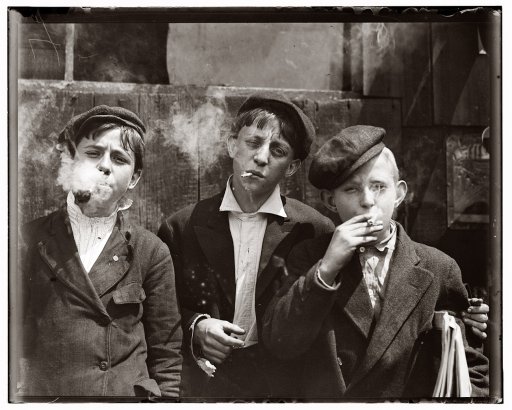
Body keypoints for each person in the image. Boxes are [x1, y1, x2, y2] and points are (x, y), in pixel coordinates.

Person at [261, 125, 489, 399]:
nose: (367, 201)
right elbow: (280, 343)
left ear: (399, 194)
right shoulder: (310, 257)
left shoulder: (438, 267)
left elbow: (469, 368)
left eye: (379, 187)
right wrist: (327, 268)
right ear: (330, 201)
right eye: (351, 189)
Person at [157, 93, 335, 399]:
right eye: (253, 142)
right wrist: (196, 327)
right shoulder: (181, 227)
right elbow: (160, 311)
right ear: (232, 145)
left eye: (278, 150)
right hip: (206, 387)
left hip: (283, 390)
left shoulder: (313, 230)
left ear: (291, 167)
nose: (262, 157)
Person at [17, 106, 182, 399]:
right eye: (93, 153)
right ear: (71, 162)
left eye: (119, 158)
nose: (105, 166)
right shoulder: (26, 241)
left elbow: (166, 355)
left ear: (134, 177)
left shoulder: (150, 251)